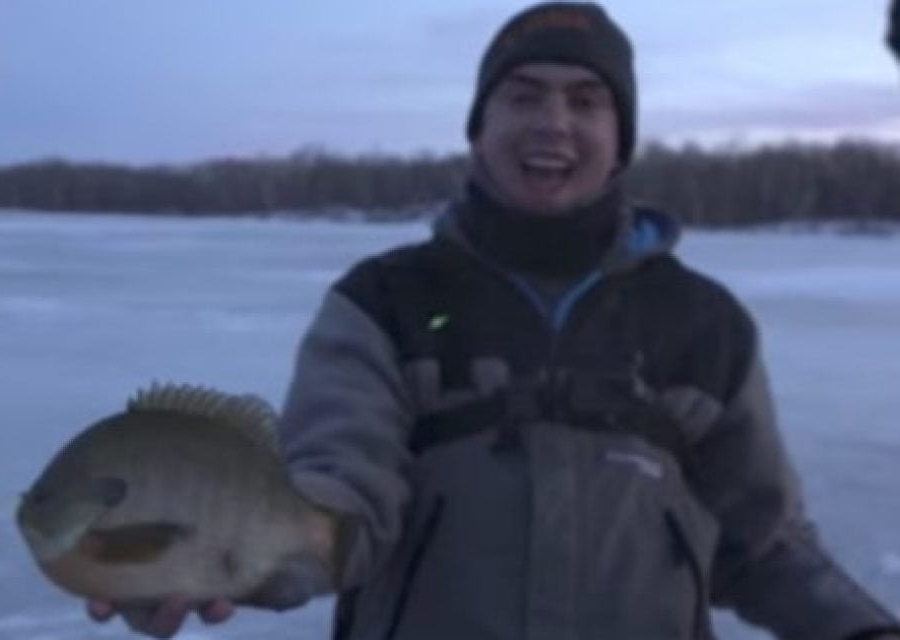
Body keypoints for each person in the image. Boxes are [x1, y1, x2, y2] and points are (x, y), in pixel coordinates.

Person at [85, 3, 900, 638]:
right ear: (480, 128)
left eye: (586, 101)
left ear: (619, 141)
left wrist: (859, 629)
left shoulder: (704, 323)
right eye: (523, 96)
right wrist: (216, 559)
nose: (554, 122)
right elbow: (338, 493)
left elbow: (765, 544)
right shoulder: (382, 303)